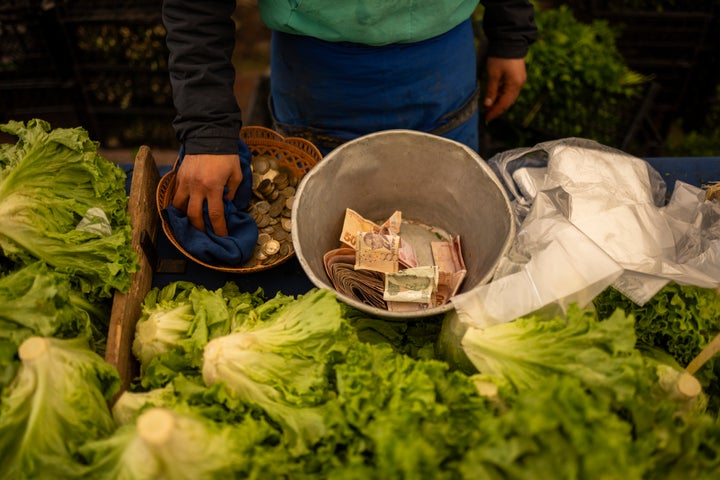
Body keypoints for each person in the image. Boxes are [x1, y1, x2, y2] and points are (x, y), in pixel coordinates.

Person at [162, 0, 537, 237]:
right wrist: (208, 130)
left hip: (440, 63)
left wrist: (510, 31)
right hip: (317, 74)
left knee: (447, 227)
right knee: (325, 235)